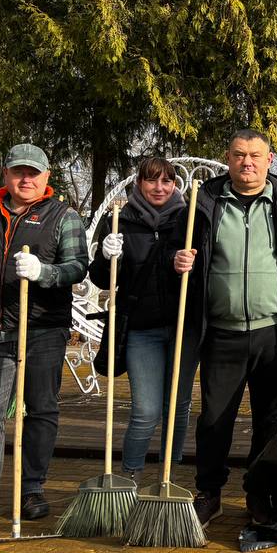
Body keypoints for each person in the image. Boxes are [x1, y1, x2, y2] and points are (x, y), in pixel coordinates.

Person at [173, 130, 277, 526]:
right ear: (227, 158)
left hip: (275, 332)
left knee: (270, 418)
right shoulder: (203, 203)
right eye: (240, 155)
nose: (248, 162)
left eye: (256, 156)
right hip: (221, 332)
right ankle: (209, 493)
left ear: (269, 160)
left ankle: (258, 492)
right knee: (214, 419)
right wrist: (177, 260)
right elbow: (176, 252)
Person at [0, 143, 88, 534]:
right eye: (18, 172)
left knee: (41, 411)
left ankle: (31, 490)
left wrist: (44, 271)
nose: (26, 179)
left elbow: (78, 267)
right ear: (5, 174)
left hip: (43, 330)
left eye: (34, 173)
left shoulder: (63, 215)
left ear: (46, 178)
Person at [87, 155, 195, 480]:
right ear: (139, 184)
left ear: (175, 184)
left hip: (182, 328)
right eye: (151, 180)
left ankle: (167, 477)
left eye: (166, 181)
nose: (159, 187)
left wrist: (189, 266)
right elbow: (102, 280)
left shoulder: (189, 220)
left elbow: (208, 273)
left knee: (177, 408)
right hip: (140, 329)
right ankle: (128, 477)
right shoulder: (120, 220)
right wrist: (107, 256)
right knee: (145, 411)